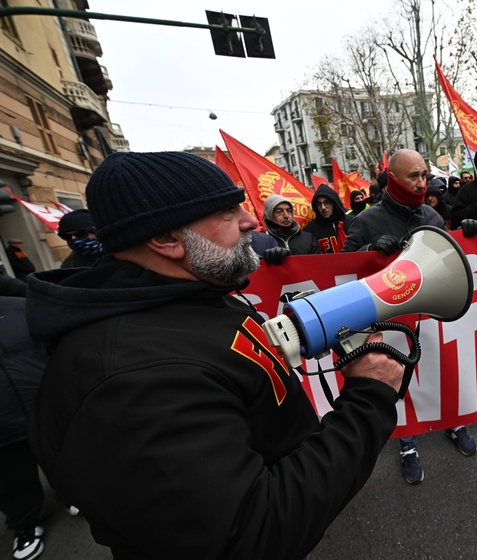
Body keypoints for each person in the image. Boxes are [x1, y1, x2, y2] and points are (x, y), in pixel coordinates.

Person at [26, 151, 405, 559]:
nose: (249, 221)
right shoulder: (130, 384)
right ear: (166, 240)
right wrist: (368, 399)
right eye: (226, 212)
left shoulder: (195, 291)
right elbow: (252, 534)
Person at [342, 149, 477, 484]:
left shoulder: (432, 219)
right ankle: (407, 441)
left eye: (425, 176)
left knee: (441, 372)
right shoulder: (365, 222)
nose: (422, 184)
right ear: (392, 178)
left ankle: (453, 420)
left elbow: (451, 265)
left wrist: (474, 235)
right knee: (399, 383)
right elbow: (341, 271)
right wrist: (369, 253)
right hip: (390, 322)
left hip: (430, 316)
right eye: (414, 176)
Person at [0, 290, 48, 560]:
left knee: (63, 460)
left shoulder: (20, 306)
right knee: (11, 481)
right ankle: (26, 525)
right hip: (2, 426)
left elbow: (50, 347)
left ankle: (73, 497)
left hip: (42, 406)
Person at [262, 194, 320, 261]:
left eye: (289, 211)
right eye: (279, 211)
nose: (286, 215)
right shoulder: (262, 241)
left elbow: (319, 264)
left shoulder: (308, 238)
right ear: (269, 215)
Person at [303, 185, 348, 253]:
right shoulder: (310, 230)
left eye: (327, 203)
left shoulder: (352, 222)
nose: (323, 207)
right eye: (319, 204)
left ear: (334, 203)